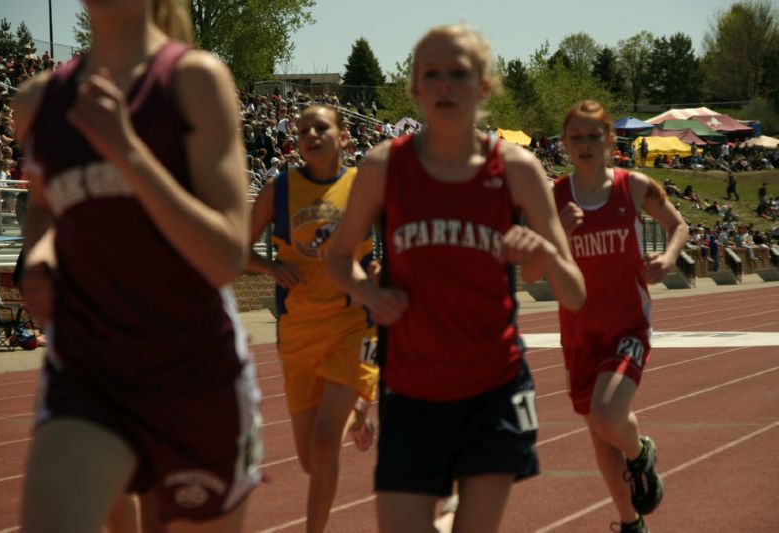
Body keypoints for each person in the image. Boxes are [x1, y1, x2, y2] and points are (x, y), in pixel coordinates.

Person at [13, 1, 261, 531]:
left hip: (194, 376)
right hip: (87, 373)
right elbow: (42, 207)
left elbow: (225, 256)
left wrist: (127, 150)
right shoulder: (40, 99)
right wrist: (38, 256)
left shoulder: (194, 80)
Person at [327, 25, 585, 533]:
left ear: (484, 87)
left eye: (459, 73)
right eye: (431, 74)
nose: (444, 85)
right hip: (411, 389)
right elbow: (339, 259)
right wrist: (369, 293)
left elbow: (574, 292)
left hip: (492, 390)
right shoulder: (384, 167)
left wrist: (546, 254)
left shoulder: (516, 168)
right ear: (415, 90)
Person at [555, 100, 688, 533]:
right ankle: (631, 523)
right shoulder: (555, 196)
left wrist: (668, 258)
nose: (585, 144)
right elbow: (532, 270)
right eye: (576, 137)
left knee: (609, 414)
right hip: (578, 332)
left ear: (611, 141)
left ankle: (641, 452)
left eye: (595, 136)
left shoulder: (632, 187)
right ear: (564, 144)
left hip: (626, 324)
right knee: (599, 431)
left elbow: (678, 224)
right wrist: (559, 233)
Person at [246, 104, 379, 533]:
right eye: (302, 130)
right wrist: (270, 268)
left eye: (321, 128)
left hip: (353, 323)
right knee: (309, 458)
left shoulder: (365, 186)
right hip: (298, 331)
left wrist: (381, 272)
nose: (310, 136)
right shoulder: (279, 190)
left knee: (325, 442)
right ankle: (359, 412)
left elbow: (400, 238)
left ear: (344, 136)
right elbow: (236, 247)